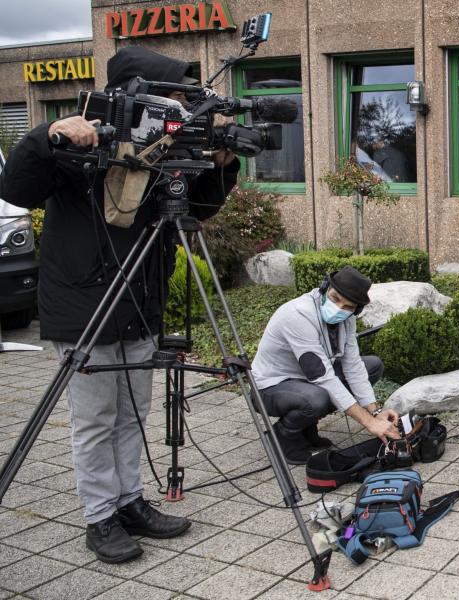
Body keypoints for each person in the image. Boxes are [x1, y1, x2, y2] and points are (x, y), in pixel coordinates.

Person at [0, 46, 239, 563]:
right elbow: (15, 187)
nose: (179, 102)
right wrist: (50, 135)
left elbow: (197, 207)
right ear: (138, 92)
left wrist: (220, 163)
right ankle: (99, 517)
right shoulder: (81, 143)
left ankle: (129, 503)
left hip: (139, 304)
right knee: (95, 421)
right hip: (84, 309)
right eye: (172, 92)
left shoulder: (159, 147)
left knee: (133, 414)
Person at [251, 267, 400, 465]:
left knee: (371, 366)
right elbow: (322, 376)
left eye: (347, 307)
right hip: (269, 387)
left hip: (305, 381)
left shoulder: (348, 320)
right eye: (335, 298)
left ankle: (307, 428)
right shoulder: (298, 314)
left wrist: (375, 412)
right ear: (324, 288)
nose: (339, 308)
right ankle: (282, 435)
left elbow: (353, 364)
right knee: (318, 397)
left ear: (355, 309)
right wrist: (369, 423)